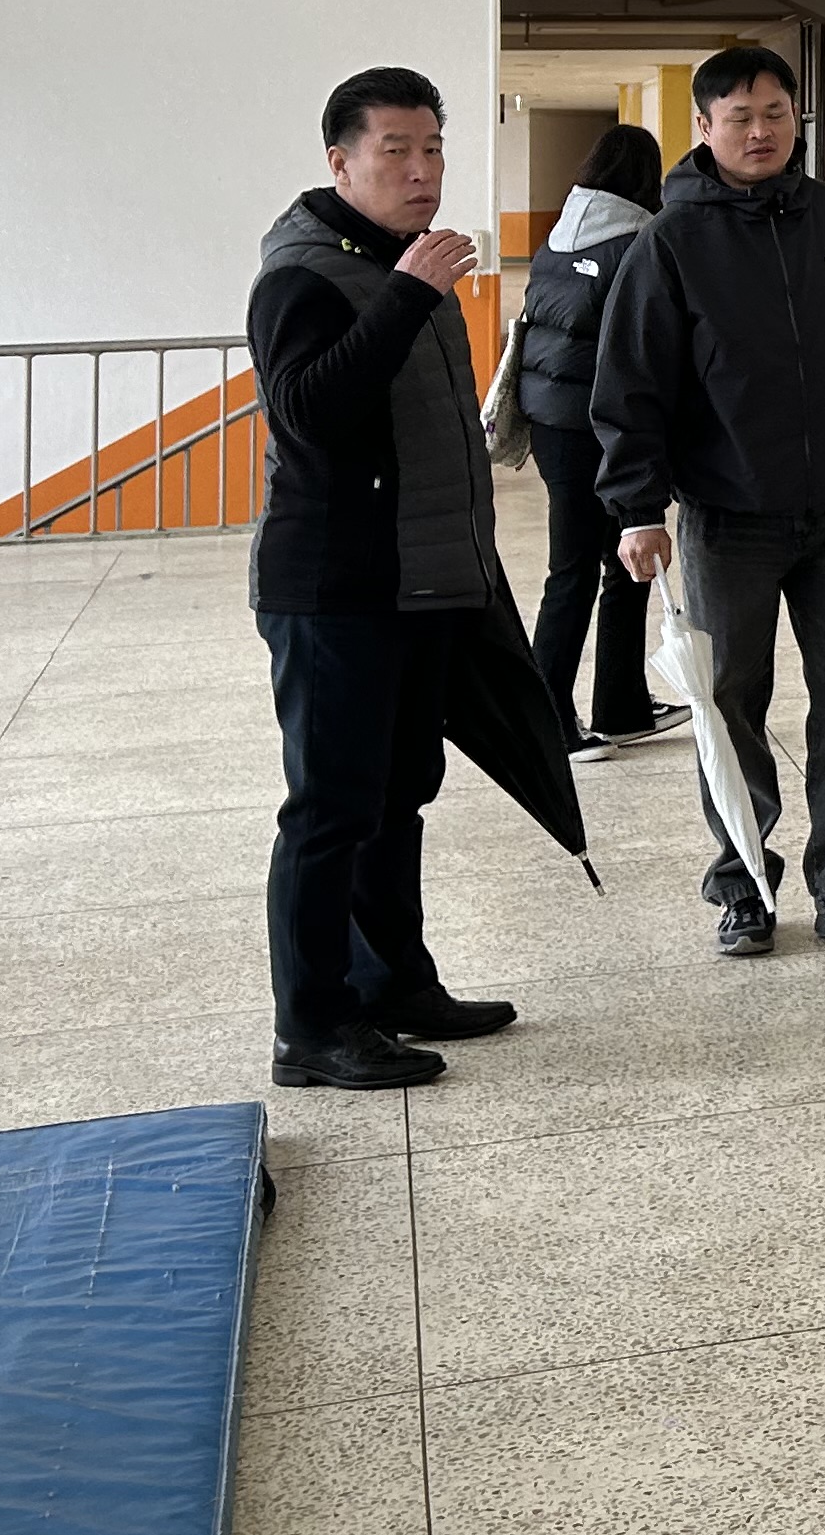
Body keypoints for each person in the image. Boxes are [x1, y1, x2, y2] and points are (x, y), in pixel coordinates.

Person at [595, 43, 825, 961]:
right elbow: (630, 384)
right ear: (704, 127)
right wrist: (637, 507)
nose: (759, 131)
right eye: (739, 117)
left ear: (794, 120)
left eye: (775, 113)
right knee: (727, 703)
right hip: (726, 516)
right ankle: (742, 883)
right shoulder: (671, 241)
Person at [244, 69, 517, 1092]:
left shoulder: (409, 264)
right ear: (340, 162)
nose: (421, 170)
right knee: (330, 810)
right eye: (395, 150)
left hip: (418, 584)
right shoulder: (302, 277)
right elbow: (310, 414)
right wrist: (407, 297)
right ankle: (311, 1028)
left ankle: (394, 984)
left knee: (399, 795)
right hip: (335, 588)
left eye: (433, 149)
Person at [511, 122, 693, 761]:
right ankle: (557, 722)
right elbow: (647, 345)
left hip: (551, 425)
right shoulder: (639, 243)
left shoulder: (556, 239)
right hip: (601, 425)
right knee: (603, 567)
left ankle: (619, 708)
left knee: (592, 567)